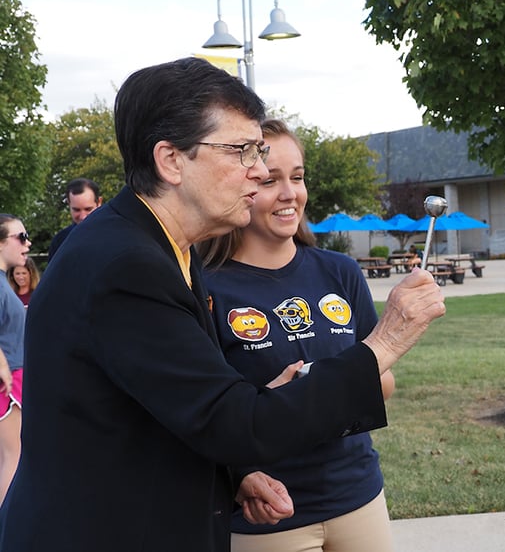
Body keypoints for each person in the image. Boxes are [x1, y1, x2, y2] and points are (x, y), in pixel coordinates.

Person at [0, 57, 446, 552]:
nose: (258, 172)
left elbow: (167, 404)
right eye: (242, 151)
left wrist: (233, 476)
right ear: (170, 160)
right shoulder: (126, 265)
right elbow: (235, 422)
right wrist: (384, 343)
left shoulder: (164, 250)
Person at [198, 118, 396, 552]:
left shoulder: (339, 271)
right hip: (268, 515)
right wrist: (240, 476)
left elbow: (384, 383)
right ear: (244, 184)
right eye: (271, 180)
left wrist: (317, 385)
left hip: (357, 494)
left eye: (298, 177)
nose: (290, 194)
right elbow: (203, 411)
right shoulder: (206, 288)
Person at [0, 215, 29, 503]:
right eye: (20, 237)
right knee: (12, 457)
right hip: (8, 382)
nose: (27, 243)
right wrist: (3, 367)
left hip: (13, 376)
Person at [47, 178, 103, 258]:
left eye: (88, 209)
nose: (83, 216)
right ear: (68, 204)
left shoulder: (115, 236)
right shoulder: (60, 241)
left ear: (99, 203)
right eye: (76, 210)